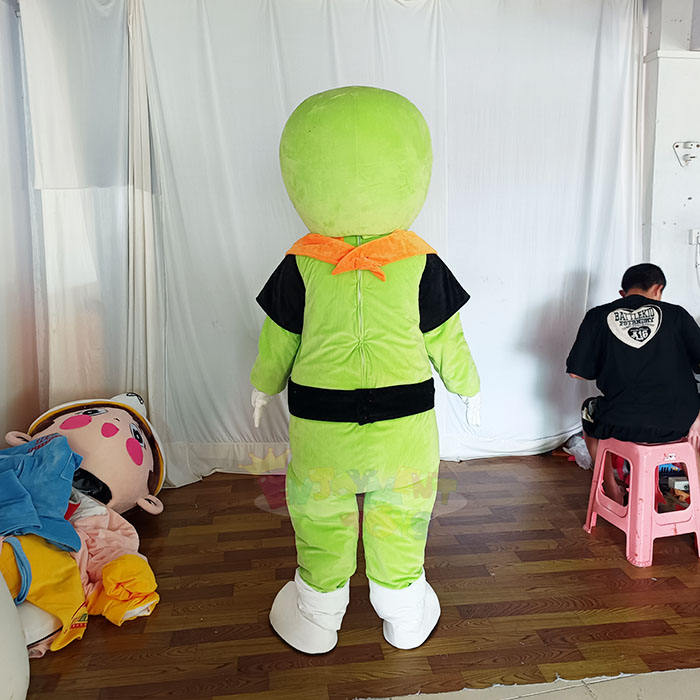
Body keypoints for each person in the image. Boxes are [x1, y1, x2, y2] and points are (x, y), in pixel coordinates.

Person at [566, 263, 700, 503]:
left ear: (623, 294)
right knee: (692, 436)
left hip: (622, 421)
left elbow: (577, 373)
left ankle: (611, 488)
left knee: (589, 409)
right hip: (680, 422)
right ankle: (691, 499)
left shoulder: (598, 316)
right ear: (658, 289)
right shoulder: (676, 314)